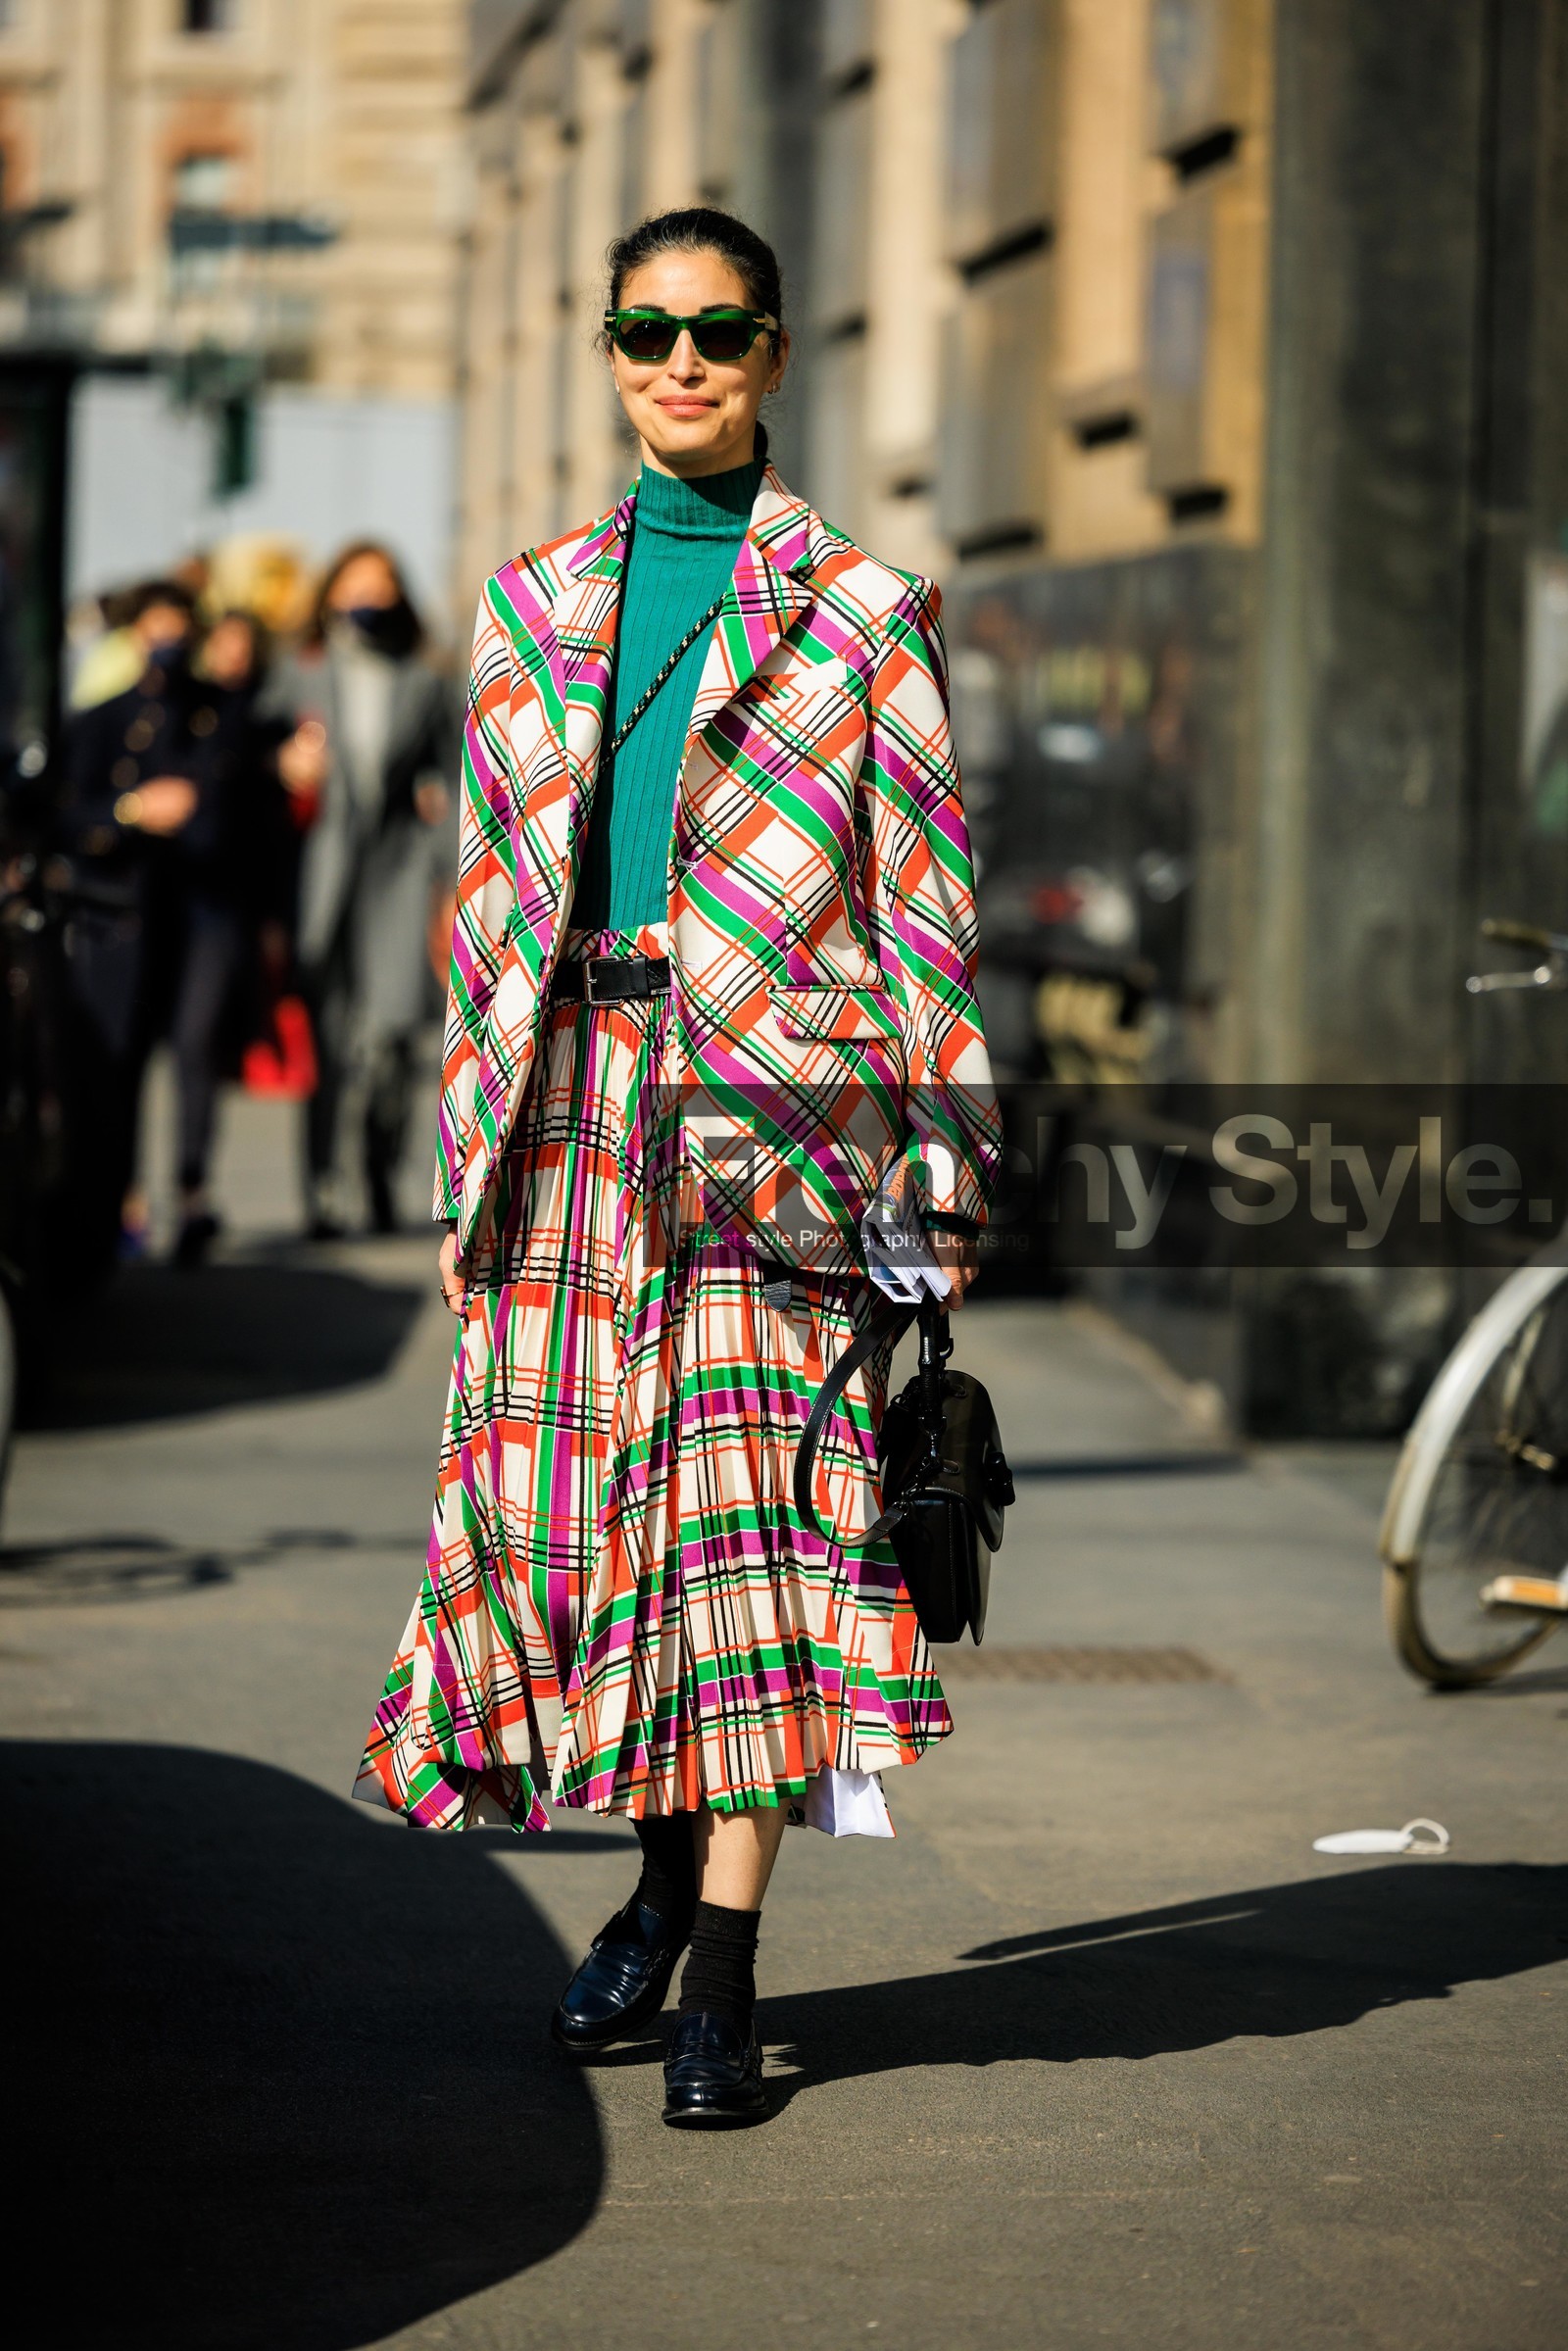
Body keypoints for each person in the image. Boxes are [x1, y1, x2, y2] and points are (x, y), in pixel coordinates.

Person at [353, 209, 999, 2127]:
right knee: (611, 1544)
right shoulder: (531, 601)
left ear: (777, 356)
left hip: (773, 1124)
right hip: (567, 1117)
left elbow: (931, 917)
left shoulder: (868, 613)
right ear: (612, 352)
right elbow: (482, 902)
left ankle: (716, 1971)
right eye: (647, 330)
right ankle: (647, 1880)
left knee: (755, 1542)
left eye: (719, 332)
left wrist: (934, 1183)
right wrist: (470, 1169)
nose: (682, 361)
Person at [61, 579, 287, 1265]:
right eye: (153, 625)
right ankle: (117, 1199)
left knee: (195, 1047)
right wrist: (131, 811)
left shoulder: (222, 713)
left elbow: (255, 786)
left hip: (204, 911)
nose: (167, 639)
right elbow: (71, 816)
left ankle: (191, 1193)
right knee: (119, 1056)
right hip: (126, 914)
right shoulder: (102, 719)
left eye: (177, 626)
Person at [268, 545, 458, 1237]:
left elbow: (456, 767)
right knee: (326, 1042)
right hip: (321, 880)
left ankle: (380, 1169)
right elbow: (251, 750)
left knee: (393, 1036)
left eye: (381, 585)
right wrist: (282, 763)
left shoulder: (423, 677)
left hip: (399, 876)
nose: (367, 596)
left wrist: (447, 872)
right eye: (356, 584)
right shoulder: (300, 673)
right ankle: (320, 1187)